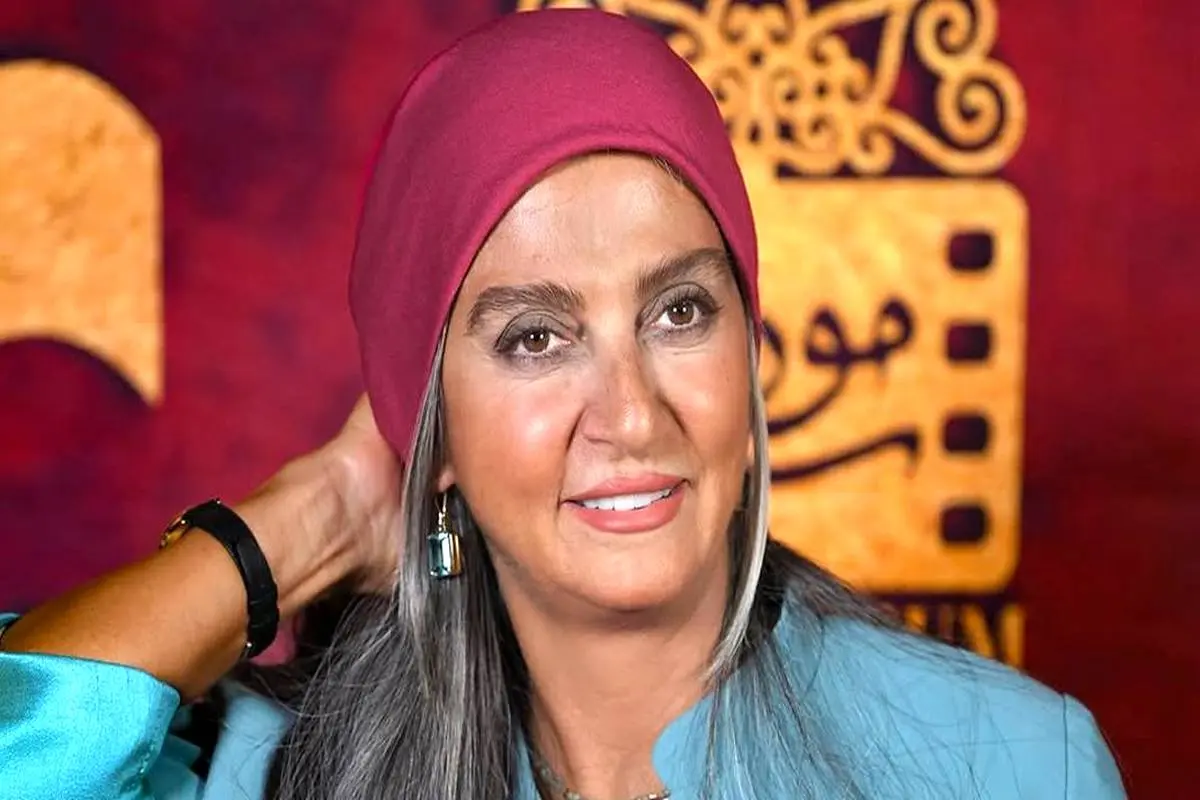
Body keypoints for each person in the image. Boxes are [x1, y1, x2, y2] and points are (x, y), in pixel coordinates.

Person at [0, 8, 1125, 800]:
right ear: (430, 418)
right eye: (536, 337)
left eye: (679, 311)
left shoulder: (1014, 764)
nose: (630, 413)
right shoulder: (281, 768)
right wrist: (315, 515)